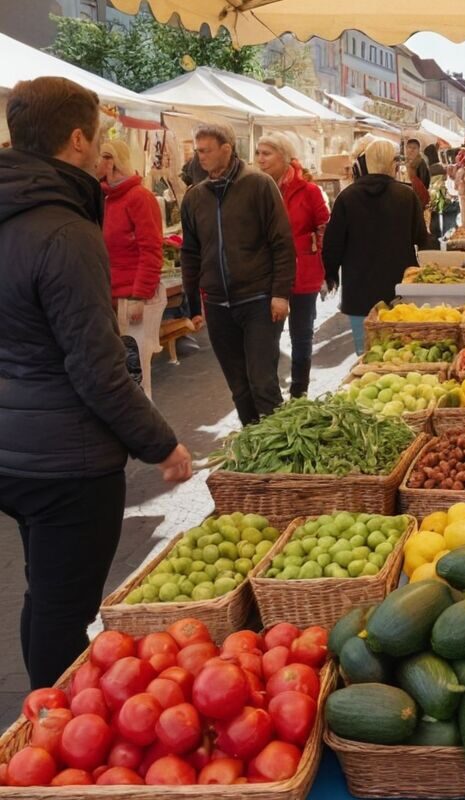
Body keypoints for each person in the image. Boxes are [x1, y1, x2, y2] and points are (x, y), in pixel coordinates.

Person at [0, 76, 192, 689]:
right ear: (79, 139)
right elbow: (95, 365)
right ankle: (50, 722)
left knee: (45, 593)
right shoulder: (64, 230)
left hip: (15, 447)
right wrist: (161, 443)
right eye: (101, 132)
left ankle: (41, 712)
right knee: (64, 609)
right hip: (68, 459)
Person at [180, 121, 295, 426]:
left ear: (227, 149)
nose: (200, 156)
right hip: (218, 305)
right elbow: (190, 252)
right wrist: (193, 305)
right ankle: (253, 443)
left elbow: (282, 242)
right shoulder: (195, 197)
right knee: (239, 387)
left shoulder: (259, 185)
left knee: (262, 382)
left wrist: (280, 294)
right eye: (198, 151)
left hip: (259, 300)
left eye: (206, 150)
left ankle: (279, 442)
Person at [323, 139, 428, 355]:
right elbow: (422, 239)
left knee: (366, 356)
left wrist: (331, 274)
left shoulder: (347, 197)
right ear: (392, 164)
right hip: (399, 290)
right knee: (401, 353)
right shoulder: (406, 196)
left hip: (358, 290)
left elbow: (333, 244)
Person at [255, 131, 330, 398]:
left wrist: (321, 265)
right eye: (258, 153)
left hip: (303, 273)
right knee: (268, 338)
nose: (260, 159)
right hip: (267, 275)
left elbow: (324, 227)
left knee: (301, 335)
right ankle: (270, 396)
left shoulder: (308, 191)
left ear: (285, 156)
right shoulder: (256, 189)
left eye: (266, 153)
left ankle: (299, 391)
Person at [97, 138, 165, 399]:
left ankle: (145, 421)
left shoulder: (138, 197)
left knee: (136, 373)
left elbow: (151, 249)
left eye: (102, 156)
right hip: (112, 296)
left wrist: (139, 295)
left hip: (133, 298)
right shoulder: (105, 199)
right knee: (121, 372)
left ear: (112, 161)